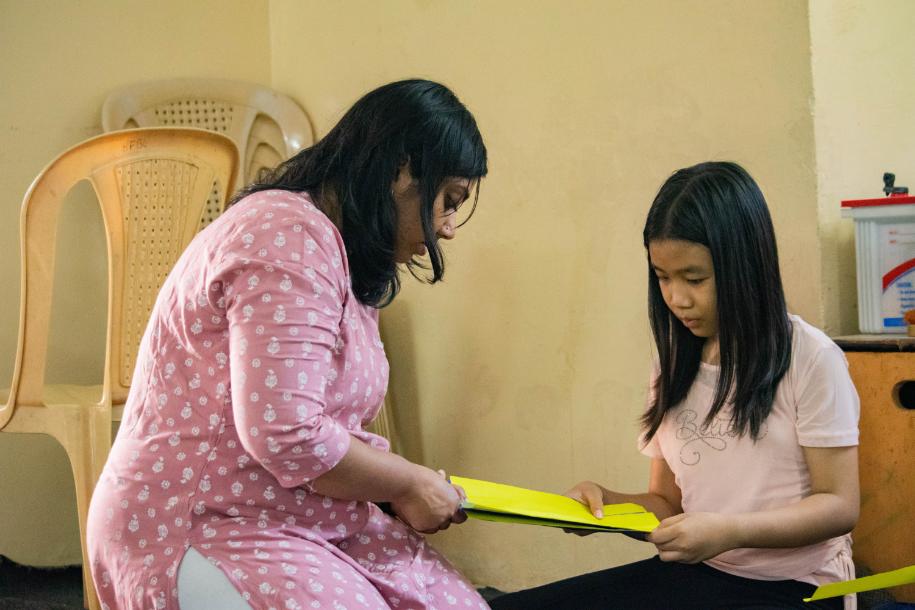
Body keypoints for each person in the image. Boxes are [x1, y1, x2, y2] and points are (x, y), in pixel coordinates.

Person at [87, 79, 490, 610]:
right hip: (202, 525)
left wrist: (404, 486)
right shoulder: (288, 235)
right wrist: (407, 484)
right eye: (448, 200)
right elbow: (286, 434)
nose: (449, 227)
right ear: (402, 169)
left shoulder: (329, 248)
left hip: (287, 518)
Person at [490, 161, 860, 610]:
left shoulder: (811, 358)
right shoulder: (673, 366)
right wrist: (605, 506)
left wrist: (729, 531)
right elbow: (668, 502)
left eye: (694, 279)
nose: (677, 298)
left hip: (799, 587)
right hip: (701, 574)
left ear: (745, 265)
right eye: (663, 278)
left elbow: (839, 505)